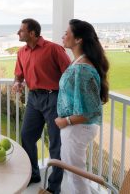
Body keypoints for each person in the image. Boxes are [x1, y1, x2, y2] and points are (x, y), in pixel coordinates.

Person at [13, 18, 70, 193]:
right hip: (33, 99)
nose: (18, 33)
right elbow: (19, 75)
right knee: (27, 136)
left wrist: (66, 100)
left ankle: (54, 188)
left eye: (21, 30)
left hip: (53, 99)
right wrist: (17, 83)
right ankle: (34, 174)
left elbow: (69, 74)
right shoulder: (21, 52)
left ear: (32, 33)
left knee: (55, 144)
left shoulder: (53, 49)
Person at [54, 19, 109, 194]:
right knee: (72, 173)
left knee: (76, 177)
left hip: (77, 128)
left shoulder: (83, 69)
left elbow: (92, 110)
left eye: (66, 33)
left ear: (78, 39)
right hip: (76, 128)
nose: (63, 36)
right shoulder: (78, 62)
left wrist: (66, 121)